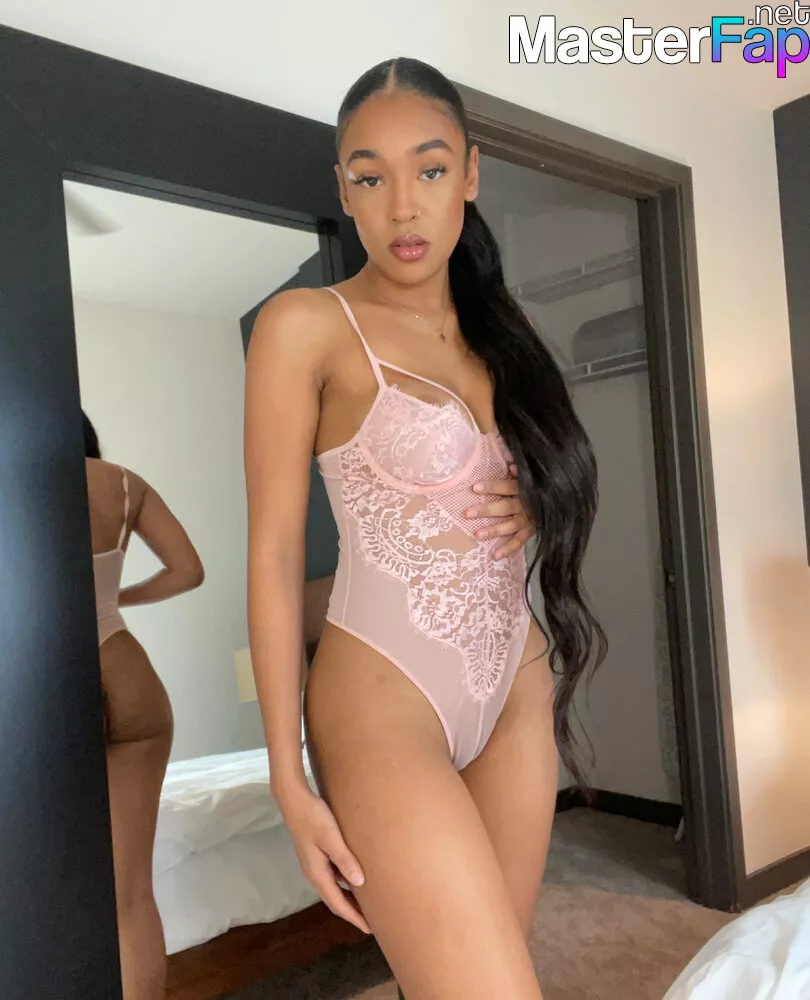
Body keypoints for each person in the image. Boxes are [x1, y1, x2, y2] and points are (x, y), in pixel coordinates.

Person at [244, 58, 606, 999]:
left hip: (515, 688)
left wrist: (538, 497)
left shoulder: (506, 333)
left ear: (471, 174)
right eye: (371, 178)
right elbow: (274, 557)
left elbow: (541, 479)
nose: (403, 205)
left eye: (431, 168)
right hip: (383, 699)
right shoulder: (306, 325)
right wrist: (288, 778)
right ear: (343, 191)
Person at [83, 411, 205, 1000]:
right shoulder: (123, 483)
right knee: (128, 895)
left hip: (41, 686)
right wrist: (113, 598)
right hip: (125, 670)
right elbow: (189, 571)